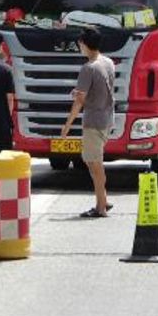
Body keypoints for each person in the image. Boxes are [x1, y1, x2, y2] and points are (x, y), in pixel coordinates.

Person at [60, 27, 115, 218]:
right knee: (93, 162)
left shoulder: (88, 68)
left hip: (93, 121)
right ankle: (104, 200)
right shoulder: (108, 62)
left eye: (80, 43)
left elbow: (79, 101)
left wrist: (67, 125)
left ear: (84, 44)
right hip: (107, 118)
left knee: (95, 164)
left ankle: (100, 207)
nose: (79, 46)